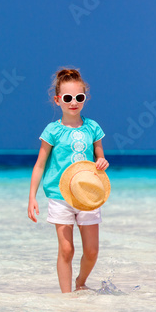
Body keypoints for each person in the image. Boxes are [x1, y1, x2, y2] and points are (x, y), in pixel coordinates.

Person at [27, 67, 109, 293]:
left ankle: (80, 283)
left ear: (85, 98)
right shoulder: (52, 130)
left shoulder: (93, 127)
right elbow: (40, 165)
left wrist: (102, 162)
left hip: (88, 195)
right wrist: (32, 197)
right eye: (68, 98)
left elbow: (100, 156)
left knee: (92, 251)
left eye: (79, 97)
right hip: (59, 196)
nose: (74, 102)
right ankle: (66, 298)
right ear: (57, 100)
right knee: (66, 249)